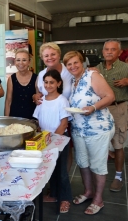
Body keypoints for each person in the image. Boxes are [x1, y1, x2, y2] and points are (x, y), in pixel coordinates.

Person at [63, 50, 115, 215]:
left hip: (97, 128)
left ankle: (98, 200)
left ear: (82, 62)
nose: (73, 66)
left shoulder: (92, 75)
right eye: (69, 64)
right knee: (83, 162)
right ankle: (88, 192)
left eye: (75, 62)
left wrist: (93, 107)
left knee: (97, 165)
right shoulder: (73, 81)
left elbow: (110, 96)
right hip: (79, 129)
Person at [33, 69, 72, 213]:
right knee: (51, 170)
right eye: (46, 82)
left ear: (59, 83)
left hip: (59, 140)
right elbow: (38, 121)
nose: (48, 85)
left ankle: (65, 199)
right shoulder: (41, 100)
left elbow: (63, 124)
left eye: (52, 83)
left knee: (61, 172)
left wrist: (52, 140)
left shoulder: (62, 100)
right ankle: (54, 194)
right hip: (45, 140)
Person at [32, 42, 74, 172]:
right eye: (46, 55)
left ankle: (63, 180)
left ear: (59, 55)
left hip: (66, 118)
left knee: (65, 152)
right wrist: (35, 96)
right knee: (48, 153)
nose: (49, 58)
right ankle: (51, 182)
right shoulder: (41, 74)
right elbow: (39, 92)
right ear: (42, 58)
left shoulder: (70, 71)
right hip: (47, 121)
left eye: (53, 54)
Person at [96, 39, 128, 192]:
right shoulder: (96, 69)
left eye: (113, 49)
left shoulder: (125, 68)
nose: (109, 52)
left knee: (118, 143)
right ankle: (98, 173)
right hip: (100, 110)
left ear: (119, 52)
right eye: (106, 49)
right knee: (100, 142)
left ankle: (118, 176)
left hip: (118, 108)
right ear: (102, 52)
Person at [4, 49, 37, 119]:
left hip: (32, 118)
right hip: (15, 119)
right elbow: (8, 102)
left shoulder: (36, 78)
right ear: (15, 62)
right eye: (18, 60)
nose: (21, 63)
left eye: (24, 60)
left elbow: (38, 101)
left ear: (29, 62)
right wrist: (6, 120)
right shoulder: (11, 79)